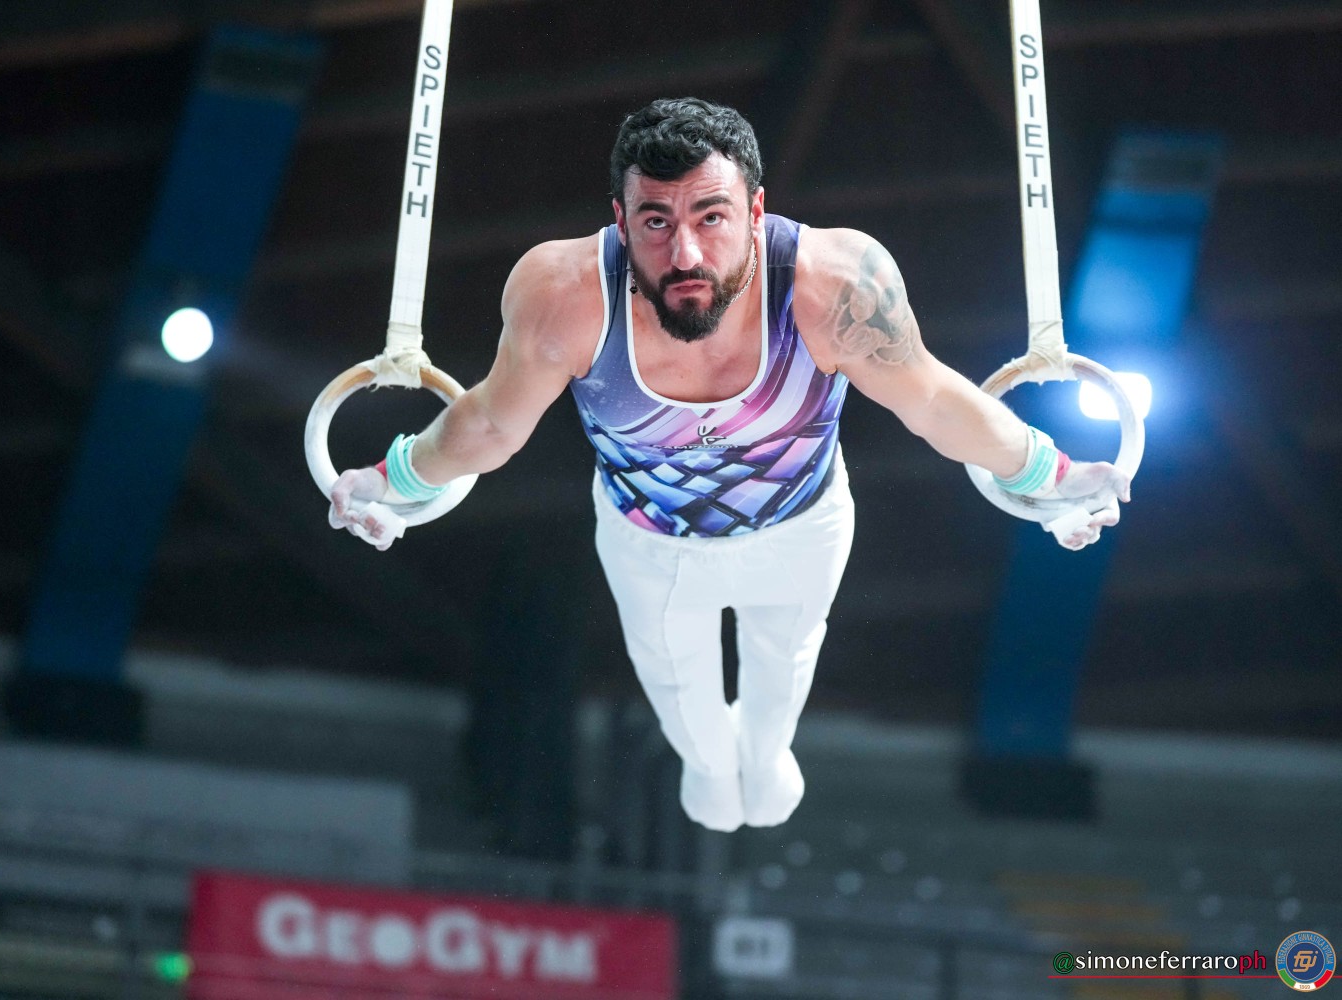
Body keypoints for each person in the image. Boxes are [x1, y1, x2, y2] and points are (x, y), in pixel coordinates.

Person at [327, 98, 1129, 832]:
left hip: (802, 530)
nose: (684, 253)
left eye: (711, 217)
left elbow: (933, 402)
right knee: (696, 733)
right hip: (652, 548)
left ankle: (767, 755)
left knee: (783, 678)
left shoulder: (832, 286)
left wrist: (1049, 475)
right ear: (619, 220)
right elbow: (490, 427)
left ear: (755, 210)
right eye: (655, 222)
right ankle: (712, 767)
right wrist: (394, 481)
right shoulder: (566, 294)